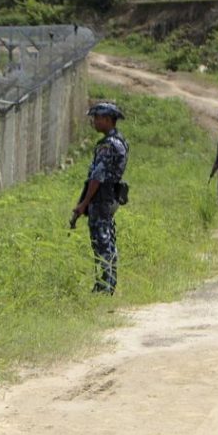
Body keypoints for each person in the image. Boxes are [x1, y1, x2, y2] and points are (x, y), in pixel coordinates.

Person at [71, 102, 129, 295]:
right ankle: (107, 283)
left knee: (102, 242)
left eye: (97, 118)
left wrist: (83, 204)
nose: (94, 122)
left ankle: (105, 286)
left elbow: (97, 177)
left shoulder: (107, 145)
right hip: (110, 198)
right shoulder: (120, 141)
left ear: (107, 120)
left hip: (101, 199)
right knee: (108, 240)